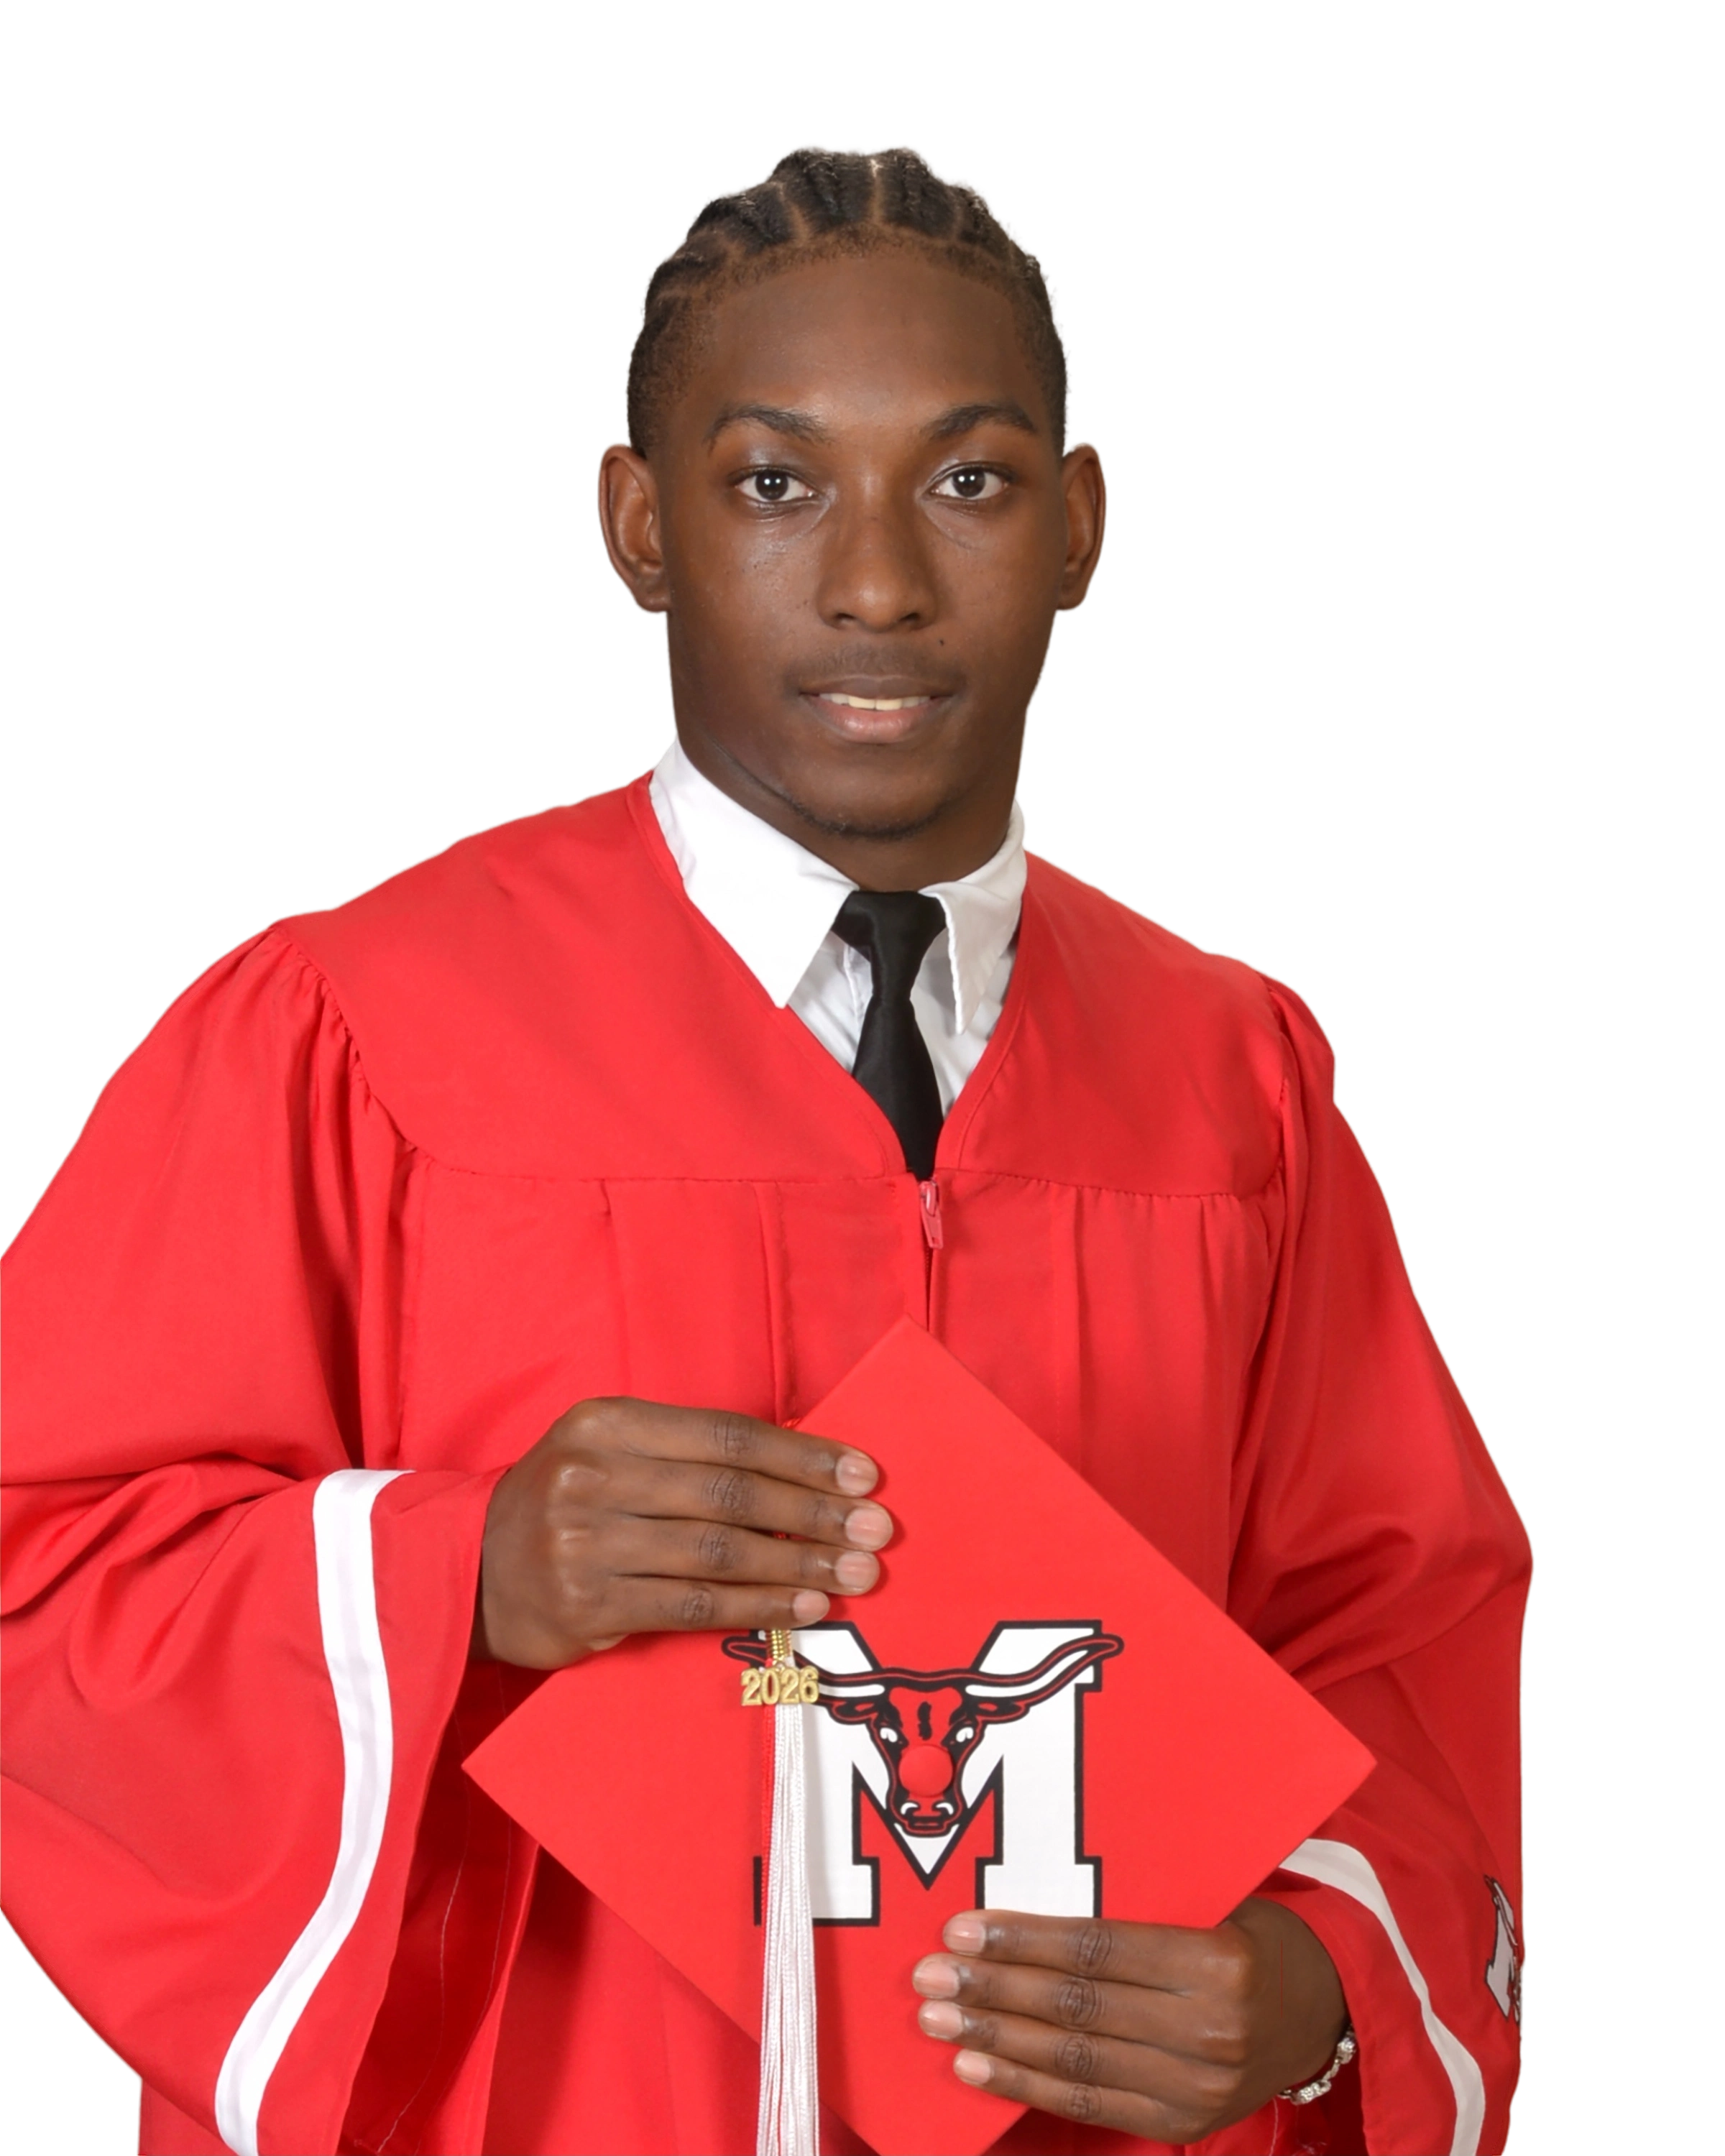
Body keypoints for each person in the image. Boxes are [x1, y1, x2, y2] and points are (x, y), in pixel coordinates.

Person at [2, 143, 1530, 2156]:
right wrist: (457, 1570)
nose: (879, 583)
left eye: (969, 480)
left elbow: (1402, 1633)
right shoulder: (352, 1031)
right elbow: (42, 1577)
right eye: (776, 483)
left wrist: (1315, 1974)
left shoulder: (1229, 1077)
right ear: (640, 524)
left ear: (1086, 526)